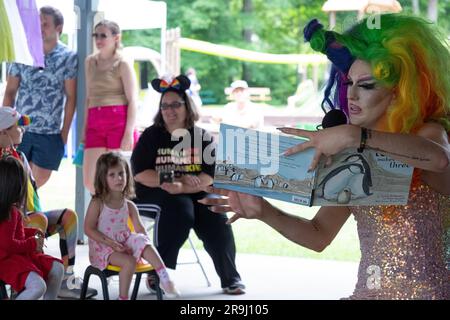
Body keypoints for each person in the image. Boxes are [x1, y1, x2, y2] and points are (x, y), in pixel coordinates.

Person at [201, 14, 450, 299]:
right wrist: (264, 211)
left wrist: (355, 137)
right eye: (349, 83)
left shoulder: (427, 133)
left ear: (398, 93)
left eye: (367, 85)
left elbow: (440, 159)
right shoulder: (354, 152)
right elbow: (319, 234)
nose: (352, 95)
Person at [131, 75, 245, 295]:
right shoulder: (152, 136)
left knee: (215, 213)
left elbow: (209, 176)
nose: (169, 110)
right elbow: (140, 174)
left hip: (191, 193)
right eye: (165, 105)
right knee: (180, 209)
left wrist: (184, 187)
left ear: (187, 106)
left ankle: (231, 277)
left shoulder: (201, 137)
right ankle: (158, 274)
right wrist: (173, 180)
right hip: (156, 194)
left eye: (175, 104)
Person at [0, 107, 97, 299]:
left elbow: (30, 198)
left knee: (68, 217)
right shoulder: (6, 162)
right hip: (7, 223)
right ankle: (23, 287)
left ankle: (65, 281)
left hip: (26, 220)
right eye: (18, 126)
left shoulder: (21, 157)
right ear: (3, 132)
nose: (22, 130)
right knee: (39, 220)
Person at [84, 152, 179, 300]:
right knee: (129, 262)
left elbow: (140, 230)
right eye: (112, 175)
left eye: (122, 173)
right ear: (103, 178)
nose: (119, 178)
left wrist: (144, 246)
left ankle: (165, 279)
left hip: (124, 243)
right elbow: (88, 229)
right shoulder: (98, 202)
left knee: (142, 240)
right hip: (103, 247)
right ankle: (123, 298)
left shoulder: (129, 205)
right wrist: (112, 244)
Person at [2, 6, 77, 188]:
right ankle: (18, 215)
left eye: (46, 24)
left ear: (59, 28)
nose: (40, 28)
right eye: (38, 23)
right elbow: (10, 91)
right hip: (20, 129)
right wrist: (3, 125)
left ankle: (28, 214)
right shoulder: (22, 52)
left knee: (36, 183)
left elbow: (71, 97)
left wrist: (64, 134)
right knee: (15, 180)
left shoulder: (68, 57)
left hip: (50, 133)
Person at [81, 20, 137, 195]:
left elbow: (133, 100)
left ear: (116, 38)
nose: (98, 39)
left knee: (119, 179)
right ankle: (103, 216)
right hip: (95, 122)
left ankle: (119, 219)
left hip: (118, 122)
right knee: (90, 181)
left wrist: (128, 133)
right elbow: (88, 98)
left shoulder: (122, 63)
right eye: (95, 35)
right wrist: (84, 128)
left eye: (103, 35)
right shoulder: (90, 62)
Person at [0, 156, 64, 300]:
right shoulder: (7, 212)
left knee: (57, 269)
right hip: (6, 260)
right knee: (38, 286)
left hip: (20, 255)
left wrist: (34, 232)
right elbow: (8, 244)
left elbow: (15, 233)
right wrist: (33, 243)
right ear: (17, 186)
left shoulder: (12, 210)